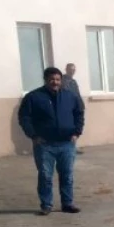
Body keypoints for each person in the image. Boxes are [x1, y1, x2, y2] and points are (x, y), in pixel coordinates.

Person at [18, 66, 84, 215]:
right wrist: (33, 135)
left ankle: (67, 203)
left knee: (67, 175)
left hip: (67, 143)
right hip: (44, 144)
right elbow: (24, 118)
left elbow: (79, 113)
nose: (55, 82)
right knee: (45, 175)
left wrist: (77, 132)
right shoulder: (33, 97)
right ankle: (46, 205)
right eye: (52, 79)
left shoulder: (69, 96)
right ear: (46, 80)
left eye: (58, 79)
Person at [62, 64, 85, 154]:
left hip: (75, 106)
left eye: (74, 70)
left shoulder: (73, 81)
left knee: (75, 126)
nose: (72, 71)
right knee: (68, 126)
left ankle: (73, 146)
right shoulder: (63, 80)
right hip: (67, 106)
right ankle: (69, 147)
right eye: (70, 69)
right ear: (66, 69)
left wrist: (81, 104)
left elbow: (77, 94)